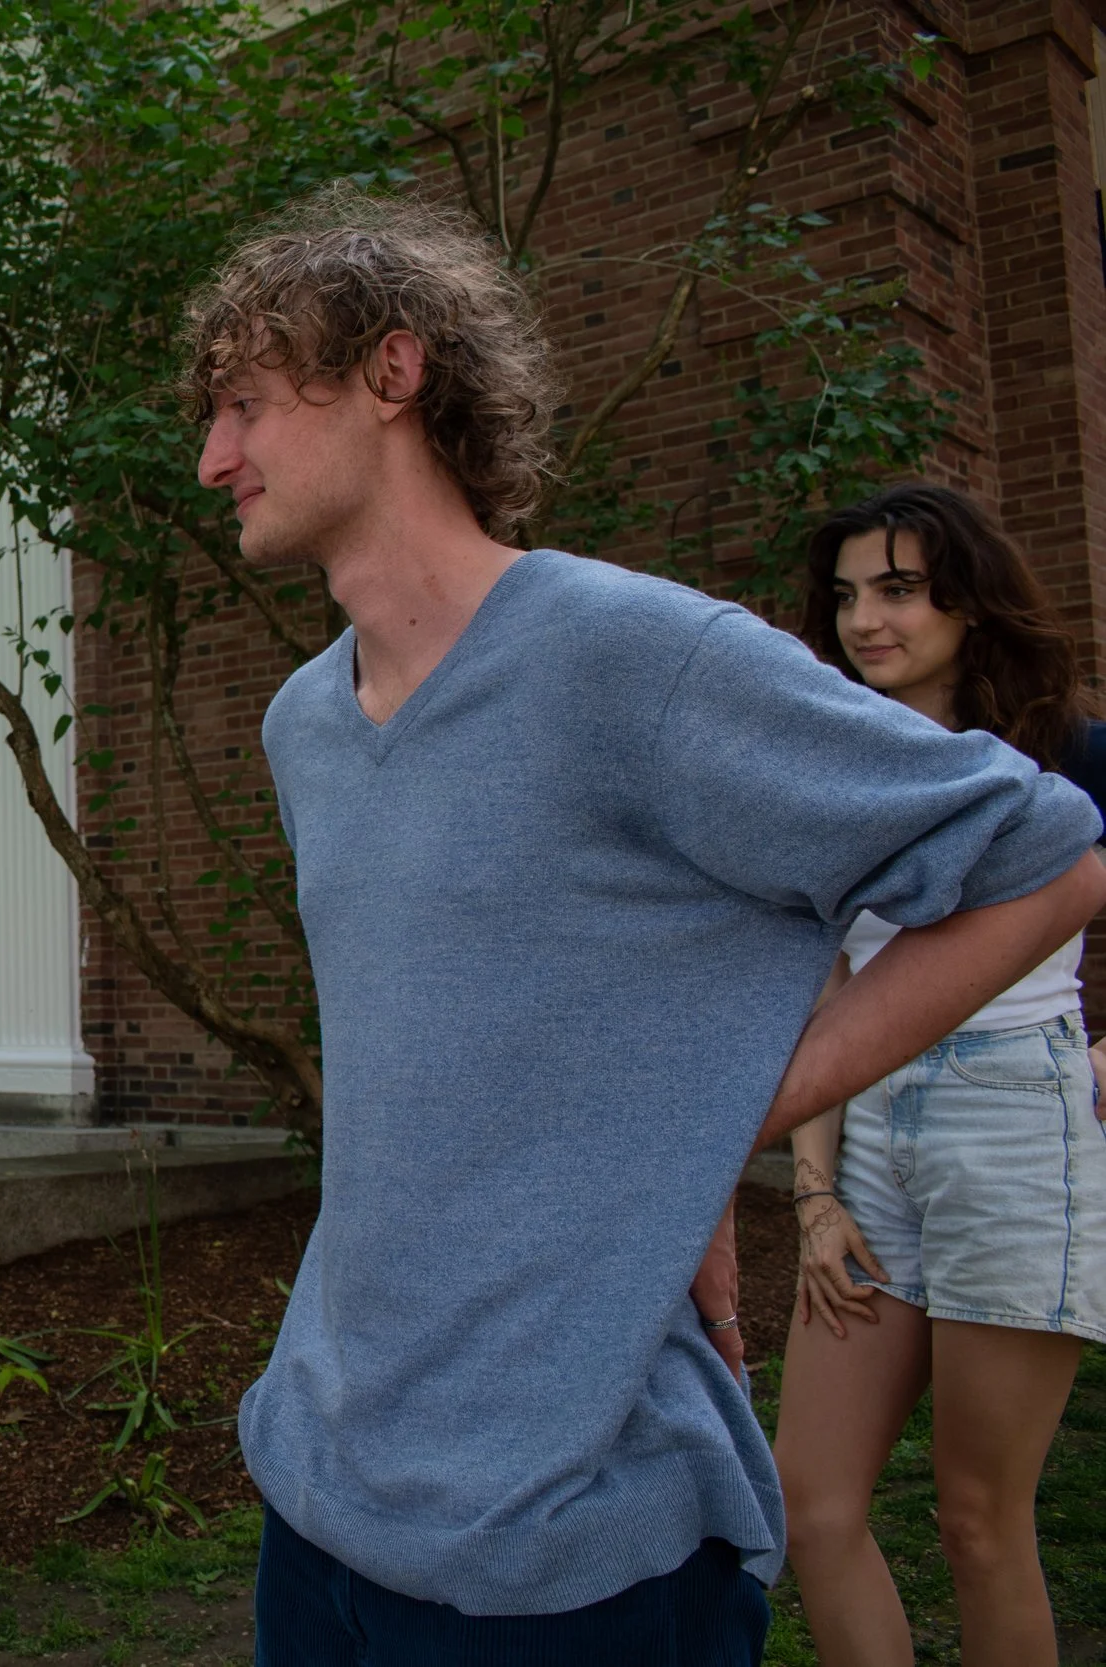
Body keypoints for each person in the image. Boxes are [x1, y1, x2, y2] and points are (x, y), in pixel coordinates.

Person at [184, 184, 1106, 1667]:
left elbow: (1048, 864)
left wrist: (722, 1111)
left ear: (391, 371)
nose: (214, 457)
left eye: (243, 403)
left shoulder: (635, 657)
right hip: (321, 1498)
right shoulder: (304, 724)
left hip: (573, 1544)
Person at [774, 484, 1106, 1667]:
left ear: (966, 600)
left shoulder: (1065, 749)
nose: (864, 619)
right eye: (845, 596)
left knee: (976, 1518)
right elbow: (825, 986)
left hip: (1012, 1118)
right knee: (809, 1502)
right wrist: (813, 1190)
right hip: (867, 1129)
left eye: (899, 589)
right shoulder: (832, 763)